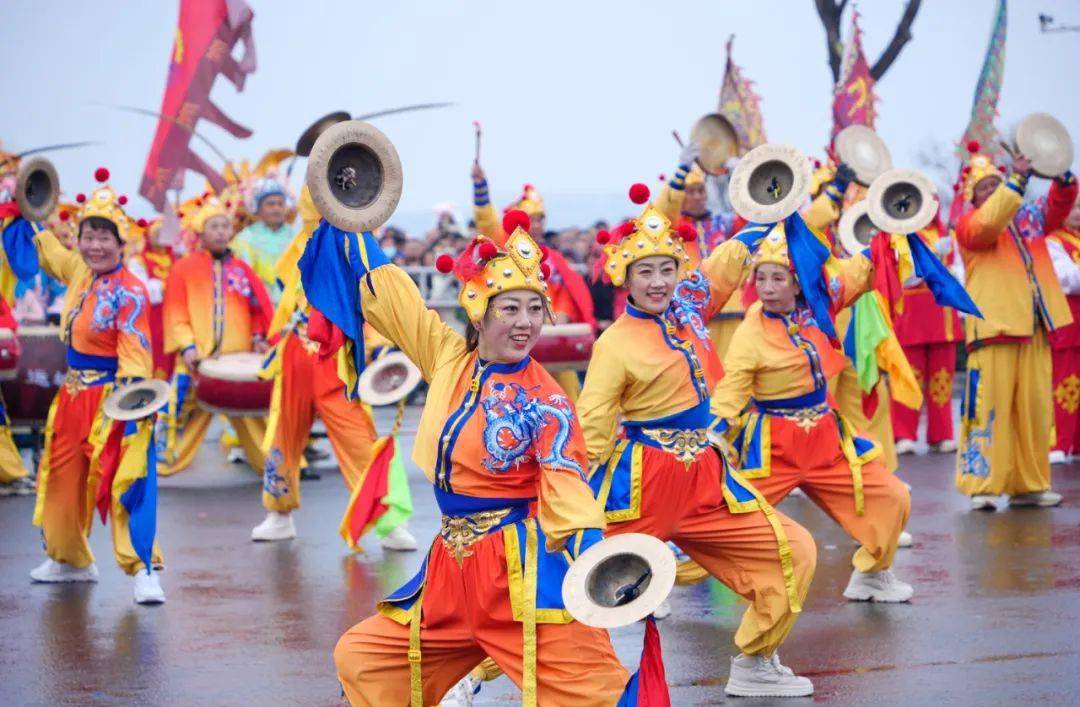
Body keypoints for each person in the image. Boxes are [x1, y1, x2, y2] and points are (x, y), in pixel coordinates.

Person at [320, 210, 631, 706]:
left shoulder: (547, 401)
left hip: (518, 574)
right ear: (479, 311)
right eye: (511, 308)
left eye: (535, 308)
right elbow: (396, 302)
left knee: (594, 692)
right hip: (450, 569)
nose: (526, 322)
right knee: (364, 658)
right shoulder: (449, 358)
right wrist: (350, 220)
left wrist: (600, 565)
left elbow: (568, 487)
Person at [579, 184, 817, 698]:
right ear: (625, 277)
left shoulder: (689, 310)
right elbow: (593, 423)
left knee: (794, 550)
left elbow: (728, 264)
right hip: (644, 482)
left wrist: (764, 213)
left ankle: (755, 659)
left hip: (708, 479)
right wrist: (568, 494)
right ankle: (481, 669)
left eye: (668, 269)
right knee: (566, 581)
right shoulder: (613, 343)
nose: (659, 281)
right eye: (646, 271)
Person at [710, 219, 913, 606]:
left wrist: (891, 228)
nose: (767, 289)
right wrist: (710, 435)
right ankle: (656, 581)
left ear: (798, 282)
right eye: (762, 279)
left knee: (892, 496)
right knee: (719, 521)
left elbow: (859, 272)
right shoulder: (750, 333)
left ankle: (871, 575)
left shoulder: (821, 303)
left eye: (777, 279)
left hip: (825, 438)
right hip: (774, 446)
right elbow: (732, 388)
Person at [26, 167, 165, 604]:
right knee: (62, 480)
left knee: (127, 480)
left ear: (122, 242)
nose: (96, 244)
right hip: (70, 398)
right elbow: (50, 251)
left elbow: (136, 348)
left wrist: (131, 404)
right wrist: (27, 208)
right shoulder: (80, 273)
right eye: (89, 235)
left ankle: (144, 569)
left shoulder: (132, 290)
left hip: (113, 399)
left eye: (106, 236)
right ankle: (70, 560)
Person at [252, 187, 416, 551]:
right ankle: (278, 513)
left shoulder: (358, 246)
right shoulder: (301, 242)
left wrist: (380, 348)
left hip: (337, 357)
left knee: (359, 437)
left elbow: (375, 302)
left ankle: (389, 521)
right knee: (283, 435)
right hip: (295, 352)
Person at [955, 142, 1076, 510]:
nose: (993, 190)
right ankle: (983, 486)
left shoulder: (1029, 220)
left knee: (1035, 410)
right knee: (986, 408)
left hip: (1035, 327)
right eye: (985, 188)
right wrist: (1017, 180)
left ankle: (1030, 485)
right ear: (972, 198)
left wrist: (1061, 174)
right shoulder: (969, 227)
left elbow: (1061, 203)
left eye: (997, 183)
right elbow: (990, 221)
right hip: (993, 329)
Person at [158, 197, 273, 475]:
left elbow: (258, 308)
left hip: (237, 360)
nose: (221, 231)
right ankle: (160, 464)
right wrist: (186, 346)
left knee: (254, 417)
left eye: (225, 226)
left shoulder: (242, 269)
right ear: (201, 233)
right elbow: (175, 312)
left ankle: (274, 468)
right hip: (195, 358)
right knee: (176, 414)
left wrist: (258, 336)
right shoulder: (183, 269)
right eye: (214, 226)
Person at [470, 163, 595, 400]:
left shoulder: (553, 259)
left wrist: (555, 321)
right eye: (532, 219)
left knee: (568, 400)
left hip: (550, 338)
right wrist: (480, 187)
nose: (537, 225)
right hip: (512, 338)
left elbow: (564, 298)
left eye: (540, 219)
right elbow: (486, 221)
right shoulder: (503, 248)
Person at [655, 143, 746, 359]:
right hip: (690, 312)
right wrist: (682, 169)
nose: (697, 196)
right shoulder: (671, 229)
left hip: (730, 308)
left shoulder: (723, 223)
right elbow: (661, 211)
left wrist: (742, 177)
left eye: (701, 190)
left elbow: (751, 223)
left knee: (731, 374)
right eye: (691, 191)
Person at [892, 214, 962, 455]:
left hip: (943, 317)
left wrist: (951, 271)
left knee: (942, 381)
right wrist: (933, 257)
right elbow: (906, 277)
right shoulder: (900, 237)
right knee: (908, 379)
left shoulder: (948, 235)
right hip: (911, 316)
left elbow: (961, 272)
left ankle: (941, 435)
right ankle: (903, 433)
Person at [1042, 187, 1080, 463]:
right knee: (1064, 383)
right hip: (1067, 321)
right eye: (1074, 207)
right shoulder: (1053, 241)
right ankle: (1059, 443)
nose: (1078, 214)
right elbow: (1068, 279)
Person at [128, 217, 177, 380]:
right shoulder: (138, 261)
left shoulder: (177, 259)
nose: (160, 235)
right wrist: (166, 287)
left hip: (175, 318)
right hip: (152, 319)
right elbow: (141, 292)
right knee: (156, 357)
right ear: (148, 235)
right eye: (156, 232)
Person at [233, 177, 293, 303]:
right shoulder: (245, 239)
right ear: (258, 208)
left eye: (280, 203)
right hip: (259, 309)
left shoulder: (296, 236)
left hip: (292, 312)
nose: (277, 208)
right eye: (271, 204)